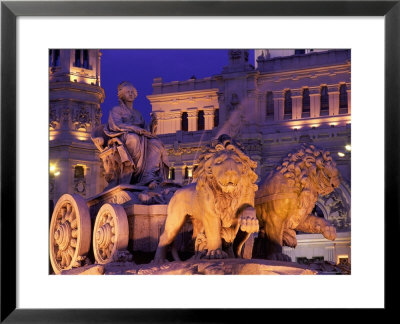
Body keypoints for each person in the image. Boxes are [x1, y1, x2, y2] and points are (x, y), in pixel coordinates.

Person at [103, 81, 169, 187]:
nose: (130, 94)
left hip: (141, 137)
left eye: (132, 92)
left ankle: (148, 175)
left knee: (156, 143)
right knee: (134, 139)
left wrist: (153, 125)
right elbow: (116, 125)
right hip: (123, 136)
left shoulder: (137, 113)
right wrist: (133, 128)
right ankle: (134, 171)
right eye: (128, 92)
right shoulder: (116, 110)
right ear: (122, 95)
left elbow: (145, 129)